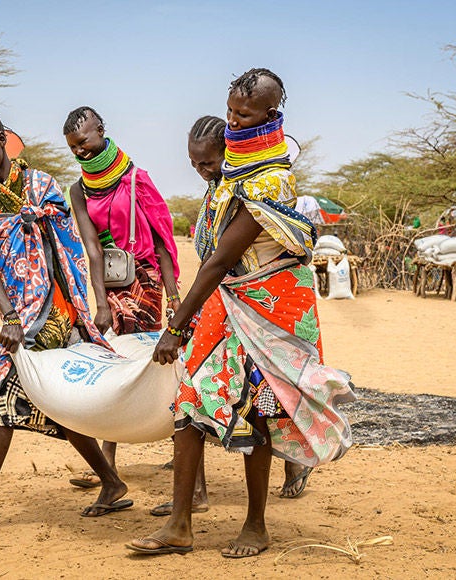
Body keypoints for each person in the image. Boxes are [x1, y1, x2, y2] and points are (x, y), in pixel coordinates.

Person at [127, 69, 355, 558]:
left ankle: (255, 525)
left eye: (244, 115)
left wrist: (175, 325)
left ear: (272, 116)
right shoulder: (230, 172)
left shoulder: (270, 179)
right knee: (189, 402)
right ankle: (179, 523)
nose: (233, 121)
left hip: (267, 309)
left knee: (260, 410)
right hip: (225, 303)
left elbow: (220, 259)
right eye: (230, 110)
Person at [0, 111, 131, 539]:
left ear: (2, 140)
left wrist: (88, 304)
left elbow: (70, 245)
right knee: (58, 404)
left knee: (1, 393)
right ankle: (112, 483)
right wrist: (8, 314)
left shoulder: (42, 186)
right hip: (20, 314)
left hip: (57, 311)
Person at [62, 106, 181, 489]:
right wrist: (99, 304)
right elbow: (92, 249)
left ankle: (182, 448)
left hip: (144, 281)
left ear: (101, 130)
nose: (80, 152)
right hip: (106, 285)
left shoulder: (135, 179)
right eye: (73, 148)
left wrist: (174, 293)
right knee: (111, 363)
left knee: (150, 364)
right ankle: (108, 465)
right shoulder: (79, 189)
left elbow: (162, 240)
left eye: (85, 142)